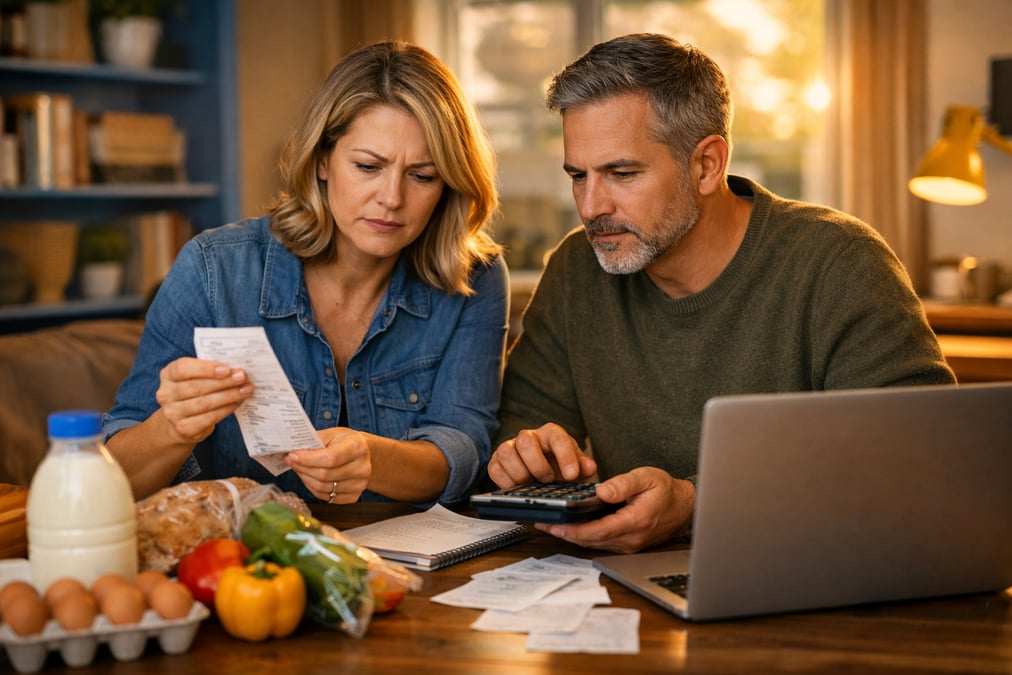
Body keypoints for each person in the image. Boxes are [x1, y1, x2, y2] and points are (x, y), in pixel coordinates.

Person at [487, 33, 955, 554]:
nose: (592, 205)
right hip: (623, 584)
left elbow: (915, 460)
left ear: (707, 165)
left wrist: (695, 504)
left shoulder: (839, 260)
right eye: (578, 175)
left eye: (622, 173)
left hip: (809, 574)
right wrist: (526, 454)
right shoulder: (577, 268)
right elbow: (521, 423)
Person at [105, 40, 509, 506]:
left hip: (399, 564)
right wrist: (170, 428)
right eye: (368, 166)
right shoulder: (213, 268)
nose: (392, 198)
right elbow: (114, 479)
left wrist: (373, 459)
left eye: (423, 175)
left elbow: (464, 450)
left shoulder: (473, 278)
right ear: (322, 161)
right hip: (235, 567)